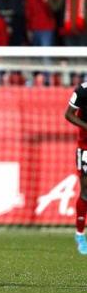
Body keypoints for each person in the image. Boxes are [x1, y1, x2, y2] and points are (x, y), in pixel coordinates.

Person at [65, 82, 87, 255]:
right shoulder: (83, 90)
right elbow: (69, 114)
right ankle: (80, 234)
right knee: (86, 191)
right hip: (86, 148)